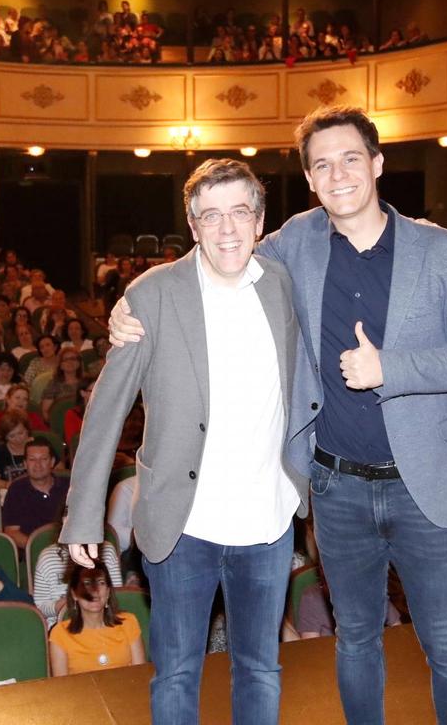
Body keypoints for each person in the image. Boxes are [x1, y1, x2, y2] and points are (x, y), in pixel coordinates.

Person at [108, 107, 447, 724]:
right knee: (356, 639)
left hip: (421, 484)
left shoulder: (443, 251)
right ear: (311, 181)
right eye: (322, 164)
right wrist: (130, 307)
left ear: (377, 163)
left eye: (350, 158)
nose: (338, 173)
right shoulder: (295, 241)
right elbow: (220, 249)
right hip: (336, 487)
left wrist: (390, 368)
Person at [66, 158, 308, 724]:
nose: (227, 230)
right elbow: (106, 410)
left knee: (260, 668)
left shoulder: (280, 284)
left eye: (240, 214)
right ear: (193, 227)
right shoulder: (152, 295)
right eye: (211, 216)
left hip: (268, 520)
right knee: (177, 673)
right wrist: (82, 516)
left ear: (260, 220)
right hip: (183, 525)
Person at [48, 562, 145, 676]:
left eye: (101, 583)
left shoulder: (129, 623)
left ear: (108, 592)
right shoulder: (60, 634)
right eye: (87, 583)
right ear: (74, 593)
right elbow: (62, 688)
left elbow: (140, 677)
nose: (94, 590)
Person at [33, 540, 122, 626]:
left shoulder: (107, 550)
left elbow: (117, 594)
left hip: (103, 621)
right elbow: (40, 606)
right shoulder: (47, 557)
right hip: (61, 624)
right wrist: (59, 606)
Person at [1, 441, 67, 549]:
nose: (38, 464)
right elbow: (12, 532)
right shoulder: (16, 490)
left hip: (69, 550)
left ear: (52, 462)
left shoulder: (69, 487)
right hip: (34, 553)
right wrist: (39, 549)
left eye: (43, 459)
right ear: (25, 464)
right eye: (32, 460)